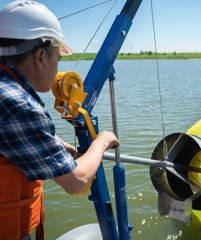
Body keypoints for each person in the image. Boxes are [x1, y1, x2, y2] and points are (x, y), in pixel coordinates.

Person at [0, 1, 120, 239]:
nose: (57, 70)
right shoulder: (19, 104)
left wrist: (62, 147)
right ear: (41, 56)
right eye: (59, 59)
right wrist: (102, 142)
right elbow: (77, 181)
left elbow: (15, 134)